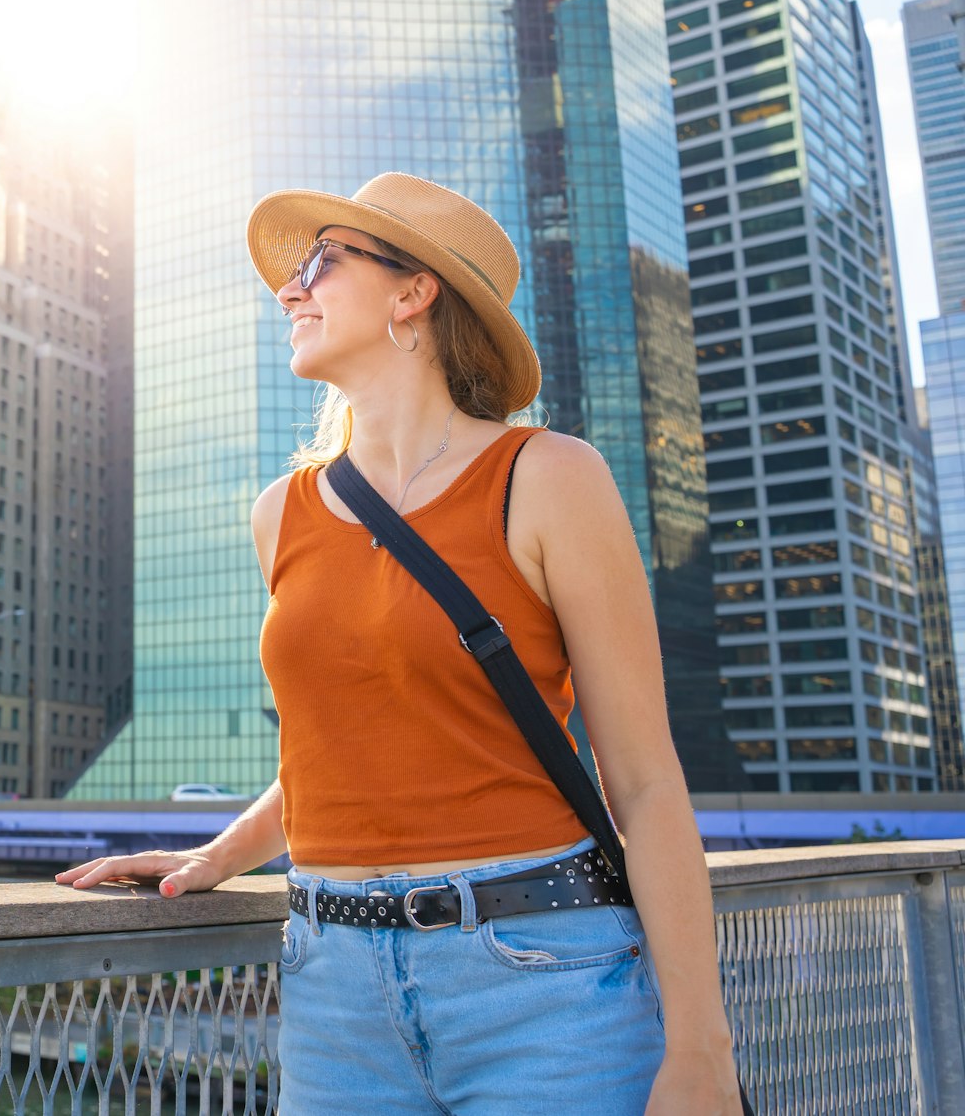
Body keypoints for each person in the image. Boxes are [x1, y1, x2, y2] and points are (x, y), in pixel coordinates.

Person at [56, 173, 743, 1113]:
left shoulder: (548, 477)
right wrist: (219, 854)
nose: (290, 291)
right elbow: (342, 745)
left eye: (322, 263)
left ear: (413, 292)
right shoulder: (281, 514)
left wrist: (701, 1052)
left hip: (539, 979)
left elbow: (648, 782)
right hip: (331, 991)